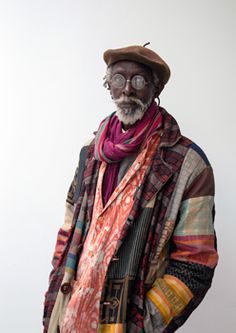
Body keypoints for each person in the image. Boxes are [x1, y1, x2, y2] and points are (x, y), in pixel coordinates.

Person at [43, 44, 218, 333]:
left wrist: (142, 323)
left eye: (138, 80)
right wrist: (55, 300)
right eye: (118, 79)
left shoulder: (187, 164)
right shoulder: (90, 153)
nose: (127, 90)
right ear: (108, 86)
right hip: (69, 317)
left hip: (126, 322)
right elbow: (67, 230)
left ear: (156, 87)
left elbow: (196, 263)